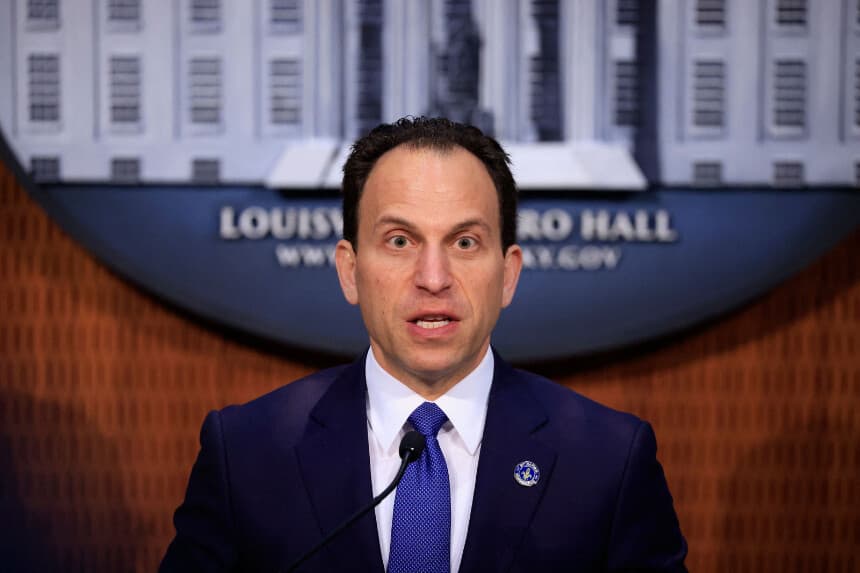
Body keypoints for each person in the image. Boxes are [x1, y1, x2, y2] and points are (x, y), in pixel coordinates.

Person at [161, 117, 687, 572]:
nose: (433, 278)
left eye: (465, 242)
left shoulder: (609, 460)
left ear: (508, 275)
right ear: (350, 271)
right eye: (399, 241)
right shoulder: (247, 454)